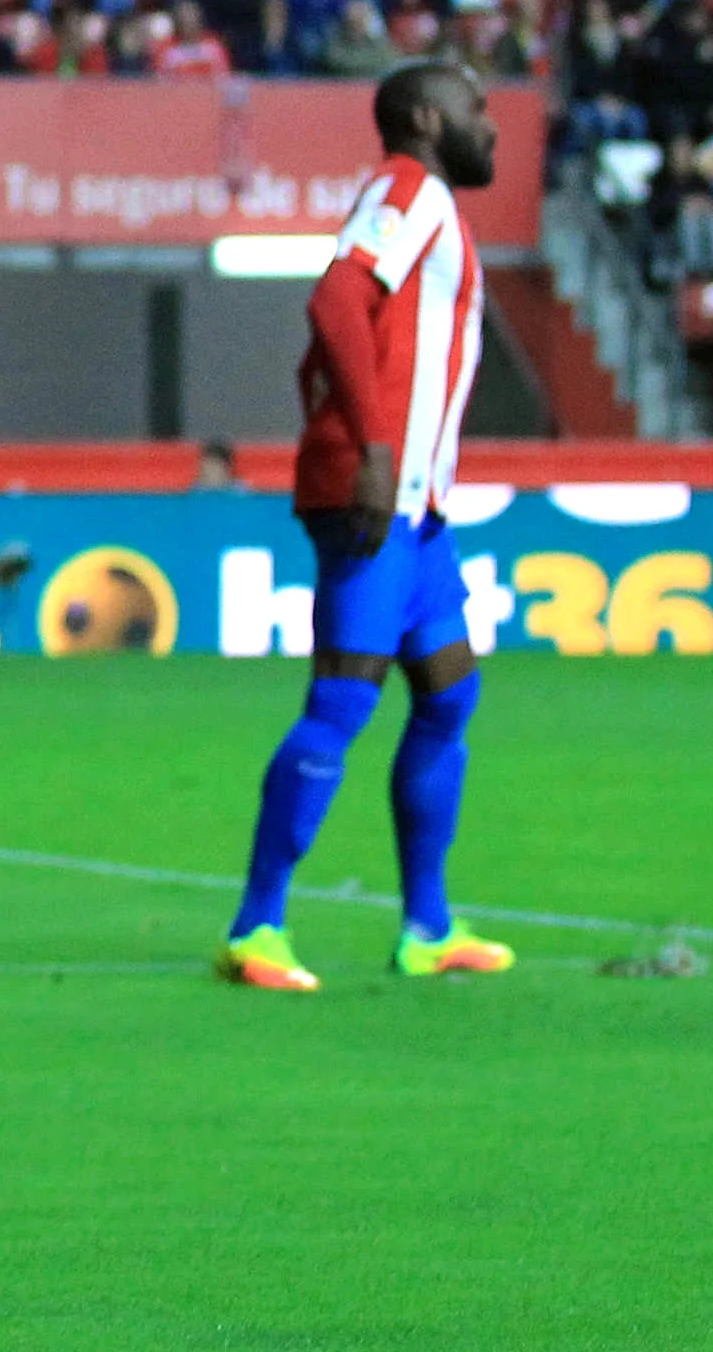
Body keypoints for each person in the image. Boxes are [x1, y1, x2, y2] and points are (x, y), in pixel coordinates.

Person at [220, 61, 516, 993]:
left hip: (420, 508)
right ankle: (255, 926)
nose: (494, 127)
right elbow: (335, 299)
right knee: (342, 702)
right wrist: (372, 450)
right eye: (477, 109)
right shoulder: (407, 188)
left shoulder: (433, 205)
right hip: (379, 493)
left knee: (447, 695)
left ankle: (426, 925)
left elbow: (335, 339)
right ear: (429, 118)